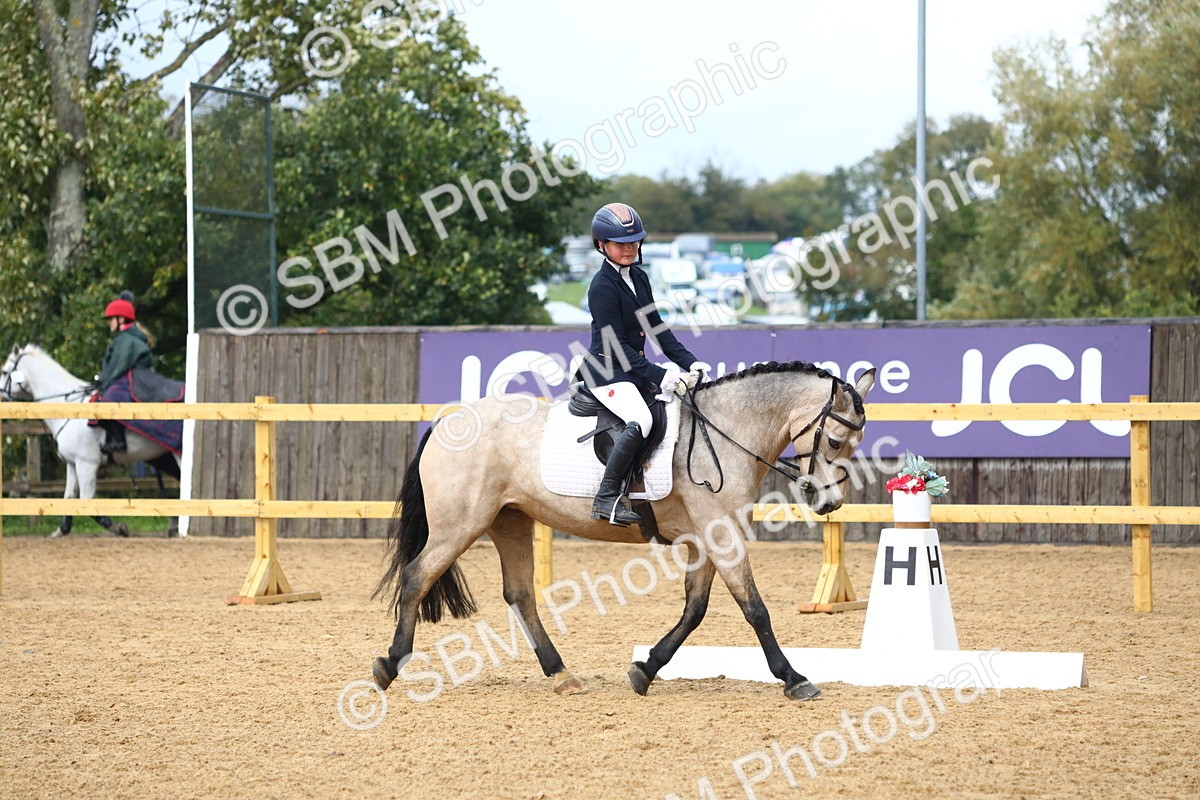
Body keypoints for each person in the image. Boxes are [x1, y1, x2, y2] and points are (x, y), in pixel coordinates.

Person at [578, 202, 705, 526]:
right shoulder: (602, 286)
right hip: (606, 371)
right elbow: (616, 346)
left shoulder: (639, 277)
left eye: (634, 241)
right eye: (621, 243)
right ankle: (606, 498)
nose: (629, 248)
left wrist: (691, 363)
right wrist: (660, 375)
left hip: (630, 370)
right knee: (641, 419)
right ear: (601, 245)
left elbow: (657, 330)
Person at [96, 291, 154, 454]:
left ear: (120, 319)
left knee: (110, 397)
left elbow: (118, 367)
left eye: (110, 319)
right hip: (131, 380)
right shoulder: (124, 338)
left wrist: (103, 385)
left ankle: (118, 440)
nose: (109, 323)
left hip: (133, 382)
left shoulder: (126, 340)